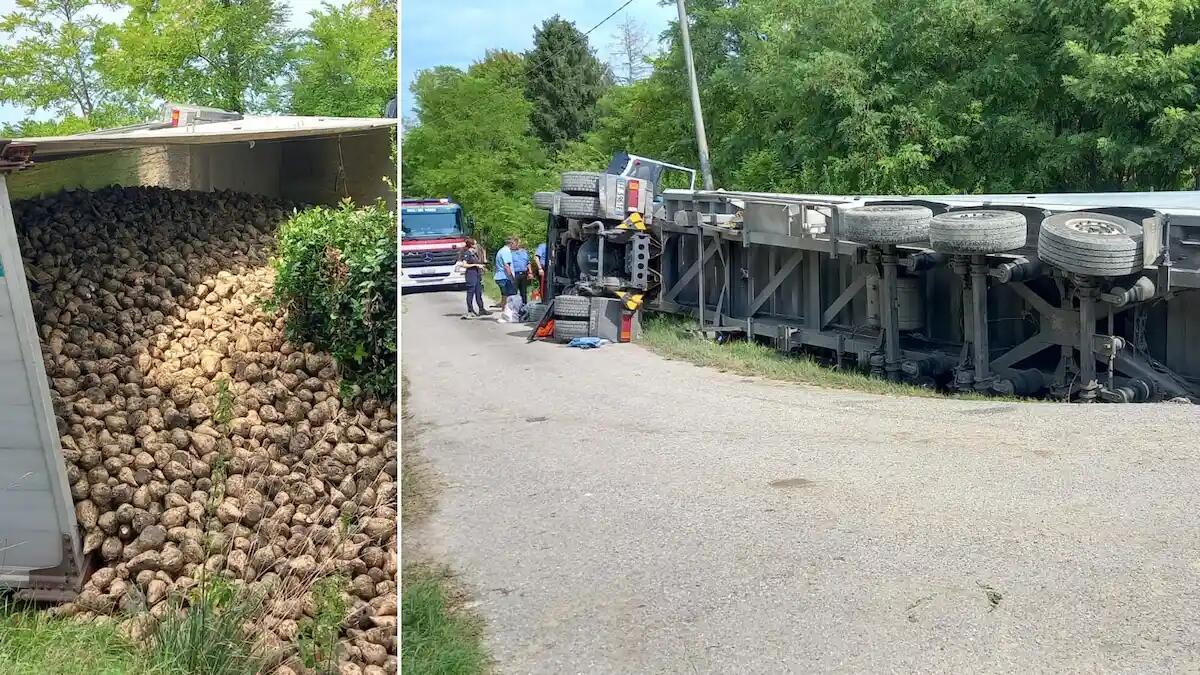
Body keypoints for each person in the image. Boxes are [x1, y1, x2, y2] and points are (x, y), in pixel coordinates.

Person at [458, 237, 488, 318]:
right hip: (471, 275)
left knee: (479, 292)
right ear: (471, 245)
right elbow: (464, 264)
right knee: (470, 292)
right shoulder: (467, 253)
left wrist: (481, 266)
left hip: (477, 274)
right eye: (475, 243)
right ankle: (470, 310)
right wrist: (475, 265)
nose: (476, 245)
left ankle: (481, 309)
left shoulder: (474, 253)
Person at [493, 236, 518, 301]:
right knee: (511, 296)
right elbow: (507, 266)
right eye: (516, 243)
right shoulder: (506, 251)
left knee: (505, 295)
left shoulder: (501, 250)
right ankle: (509, 310)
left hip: (500, 276)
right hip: (505, 277)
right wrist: (512, 278)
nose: (516, 245)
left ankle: (504, 308)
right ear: (511, 243)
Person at [510, 238, 531, 304]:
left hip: (524, 274)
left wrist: (530, 272)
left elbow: (528, 263)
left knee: (523, 292)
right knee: (514, 292)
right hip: (515, 274)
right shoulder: (510, 253)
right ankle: (513, 307)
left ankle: (524, 306)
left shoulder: (524, 252)